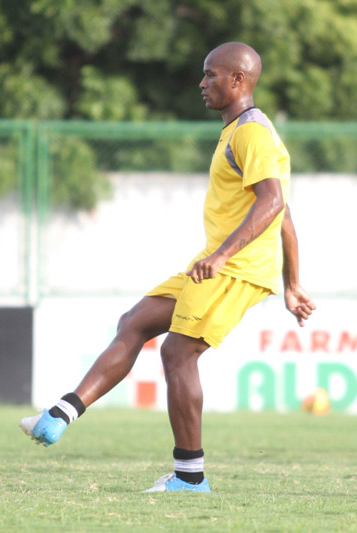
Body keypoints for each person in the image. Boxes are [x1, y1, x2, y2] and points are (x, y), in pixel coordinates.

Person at [21, 41, 316, 493]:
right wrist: (292, 284)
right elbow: (285, 213)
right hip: (215, 264)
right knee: (135, 322)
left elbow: (273, 203)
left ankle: (189, 477)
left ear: (238, 80)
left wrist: (222, 257)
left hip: (231, 269)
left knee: (178, 353)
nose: (202, 83)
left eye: (211, 74)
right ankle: (59, 415)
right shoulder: (238, 131)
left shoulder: (252, 133)